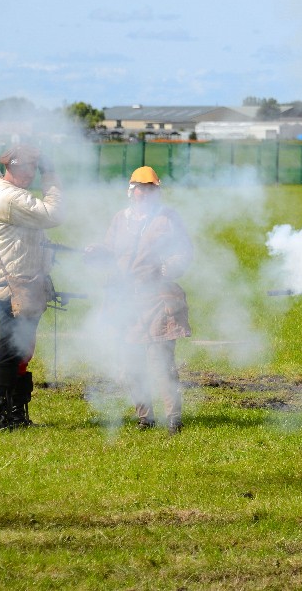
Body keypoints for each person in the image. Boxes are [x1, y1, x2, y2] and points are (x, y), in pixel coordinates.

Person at [85, 166, 193, 434]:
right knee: (130, 363)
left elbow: (184, 251)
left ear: (156, 191)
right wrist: (97, 252)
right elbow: (110, 250)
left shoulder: (168, 219)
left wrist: (172, 266)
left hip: (159, 298)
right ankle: (145, 416)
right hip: (125, 301)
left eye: (149, 189)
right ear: (131, 192)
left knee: (161, 364)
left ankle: (174, 419)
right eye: (139, 189)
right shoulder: (120, 219)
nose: (143, 194)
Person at [0, 144, 65, 431]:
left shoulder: (7, 193)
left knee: (22, 349)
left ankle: (16, 416)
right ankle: (3, 420)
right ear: (11, 168)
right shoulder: (10, 197)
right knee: (11, 349)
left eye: (34, 168)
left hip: (23, 283)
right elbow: (53, 214)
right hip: (14, 286)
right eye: (24, 168)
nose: (29, 173)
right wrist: (51, 177)